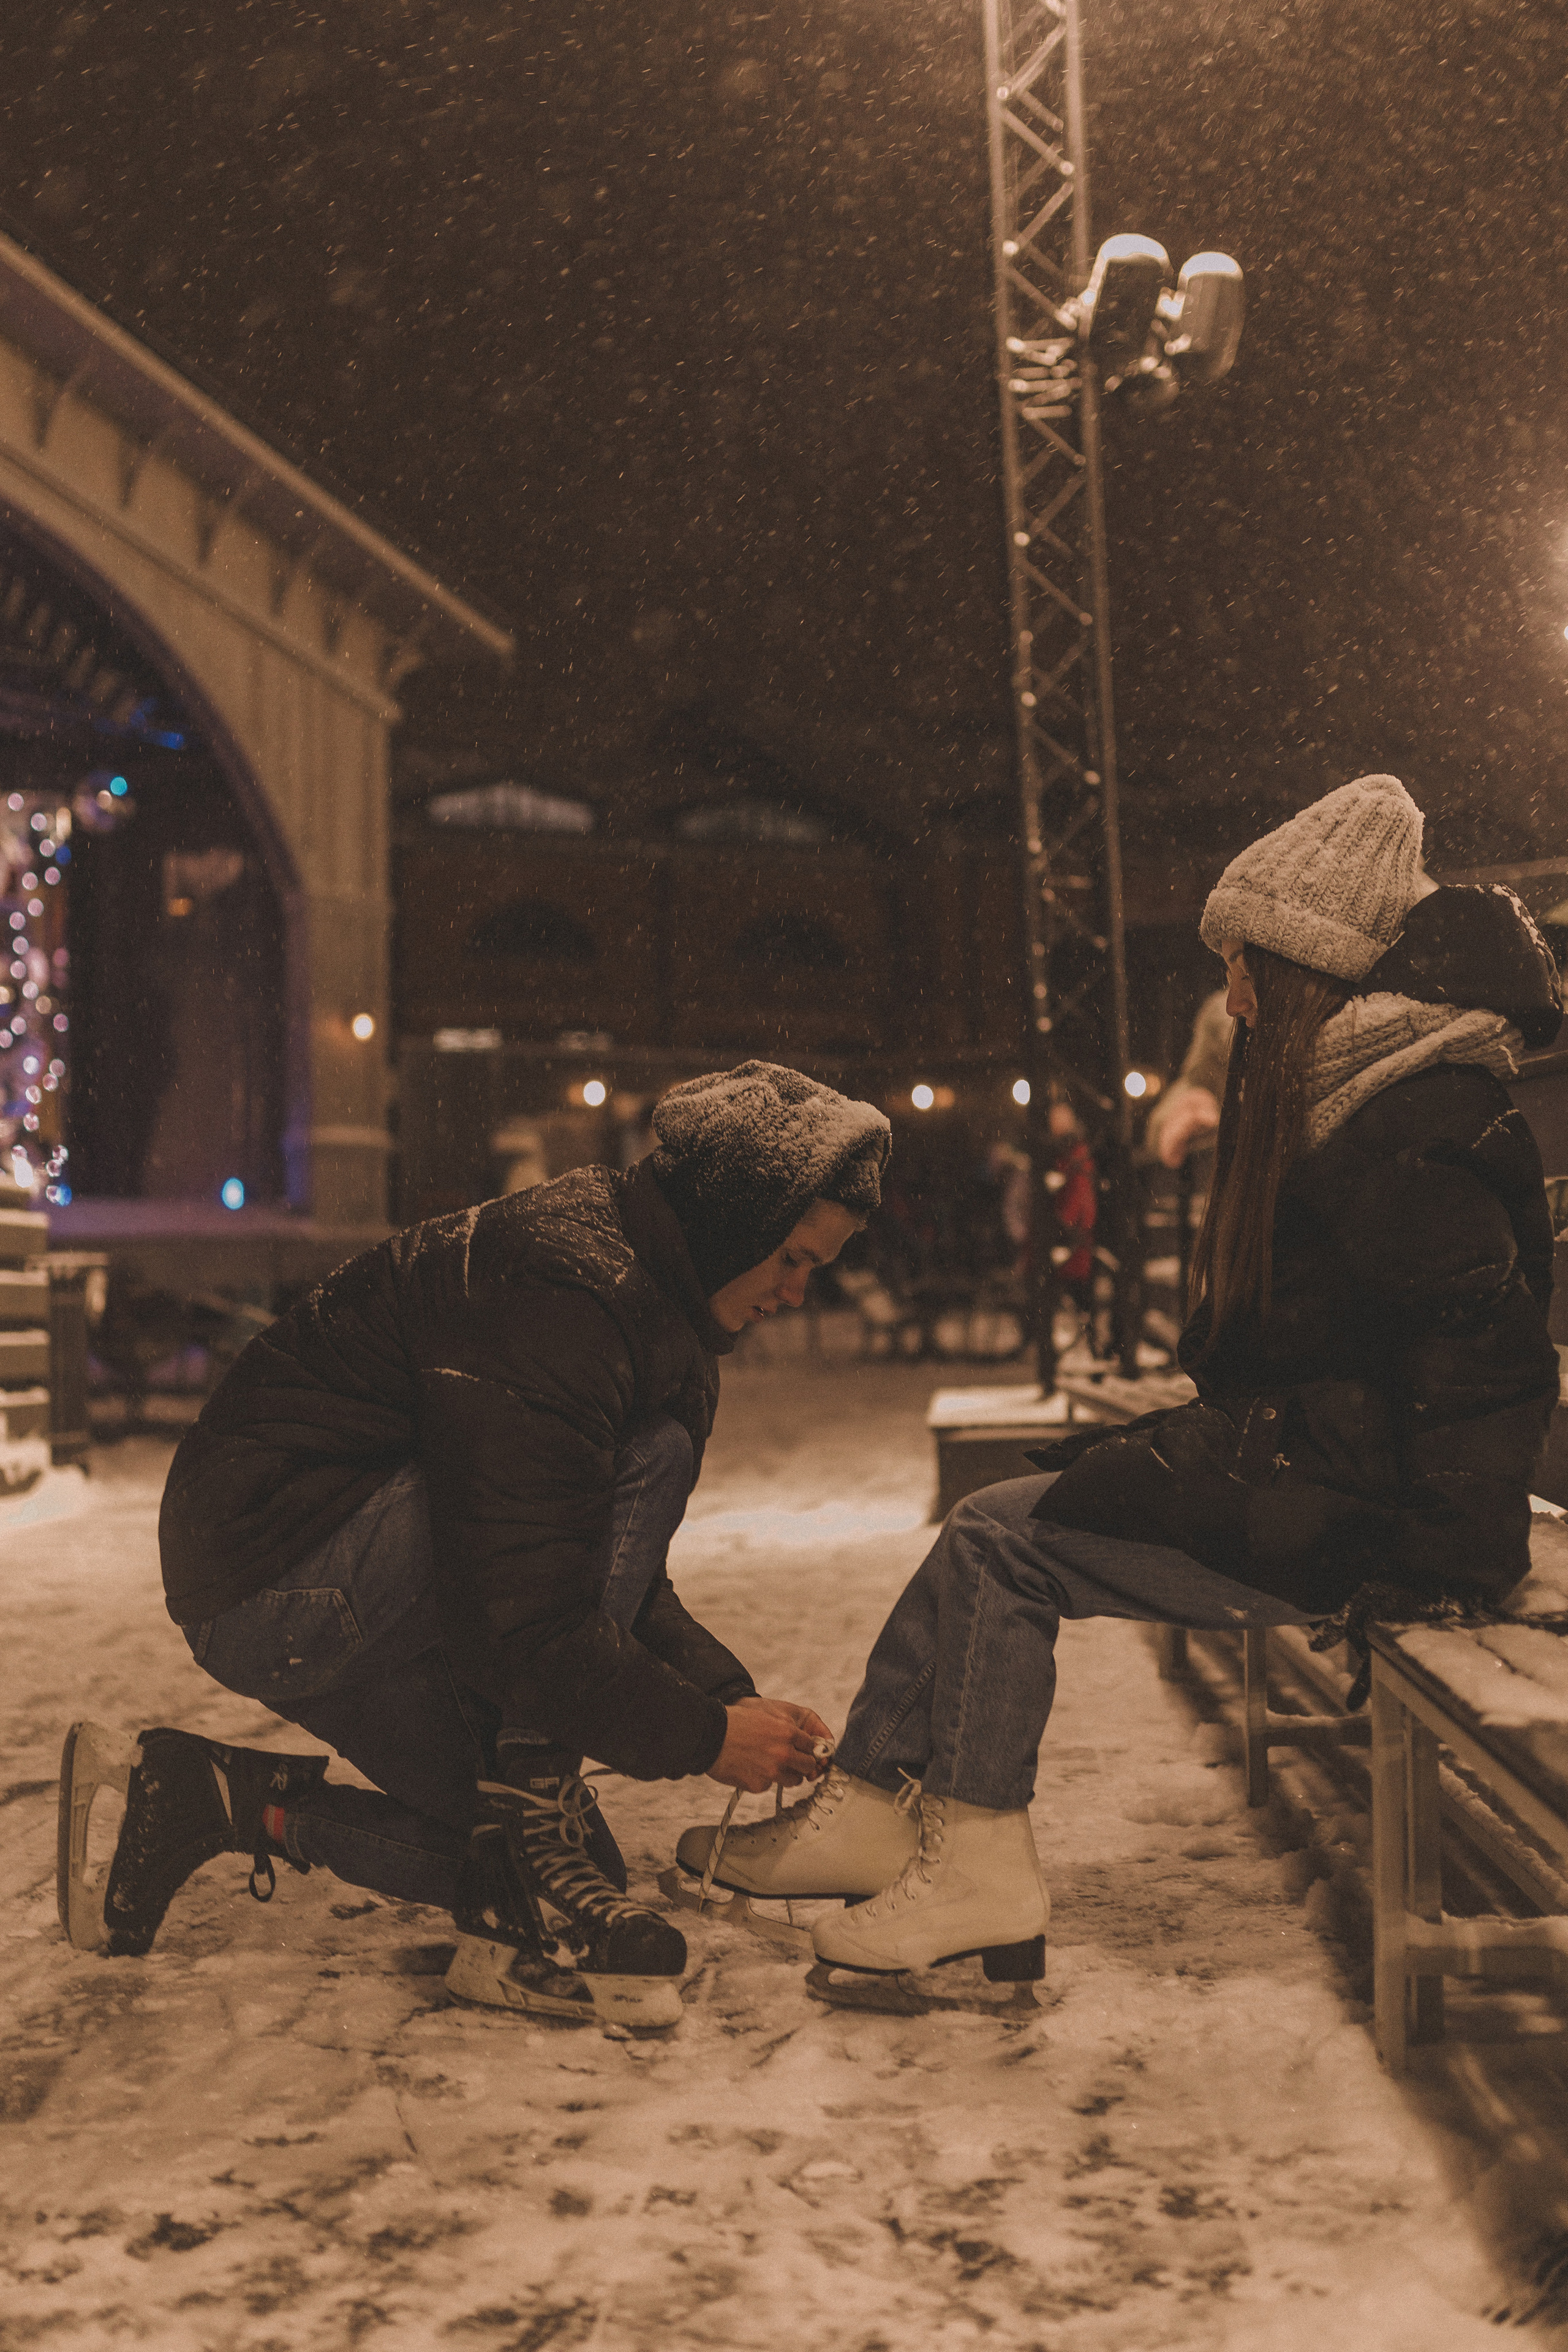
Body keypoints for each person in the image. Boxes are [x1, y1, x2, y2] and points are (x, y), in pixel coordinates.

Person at [677, 774, 1564, 1987]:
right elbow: (1328, 1342)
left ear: (1305, 965)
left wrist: (1440, 1559)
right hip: (1326, 1470)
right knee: (994, 1522)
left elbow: (1480, 1360)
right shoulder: (1374, 1102)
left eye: (1244, 963)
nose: (1231, 993)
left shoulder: (1410, 1121)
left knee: (1002, 1546)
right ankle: (879, 1810)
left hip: (1374, 1518)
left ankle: (973, 1859)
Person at [62, 1061, 889, 2030]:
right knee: (645, 1465)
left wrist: (718, 1693)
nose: (797, 1291)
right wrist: (705, 1739)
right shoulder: (572, 1291)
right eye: (791, 1258)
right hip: (275, 1570)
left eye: (815, 1269)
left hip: (333, 1570)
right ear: (735, 1225)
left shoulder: (644, 1293)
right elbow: (526, 1611)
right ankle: (524, 1817)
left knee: (556, 1873)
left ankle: (214, 1801)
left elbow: (578, 1543)